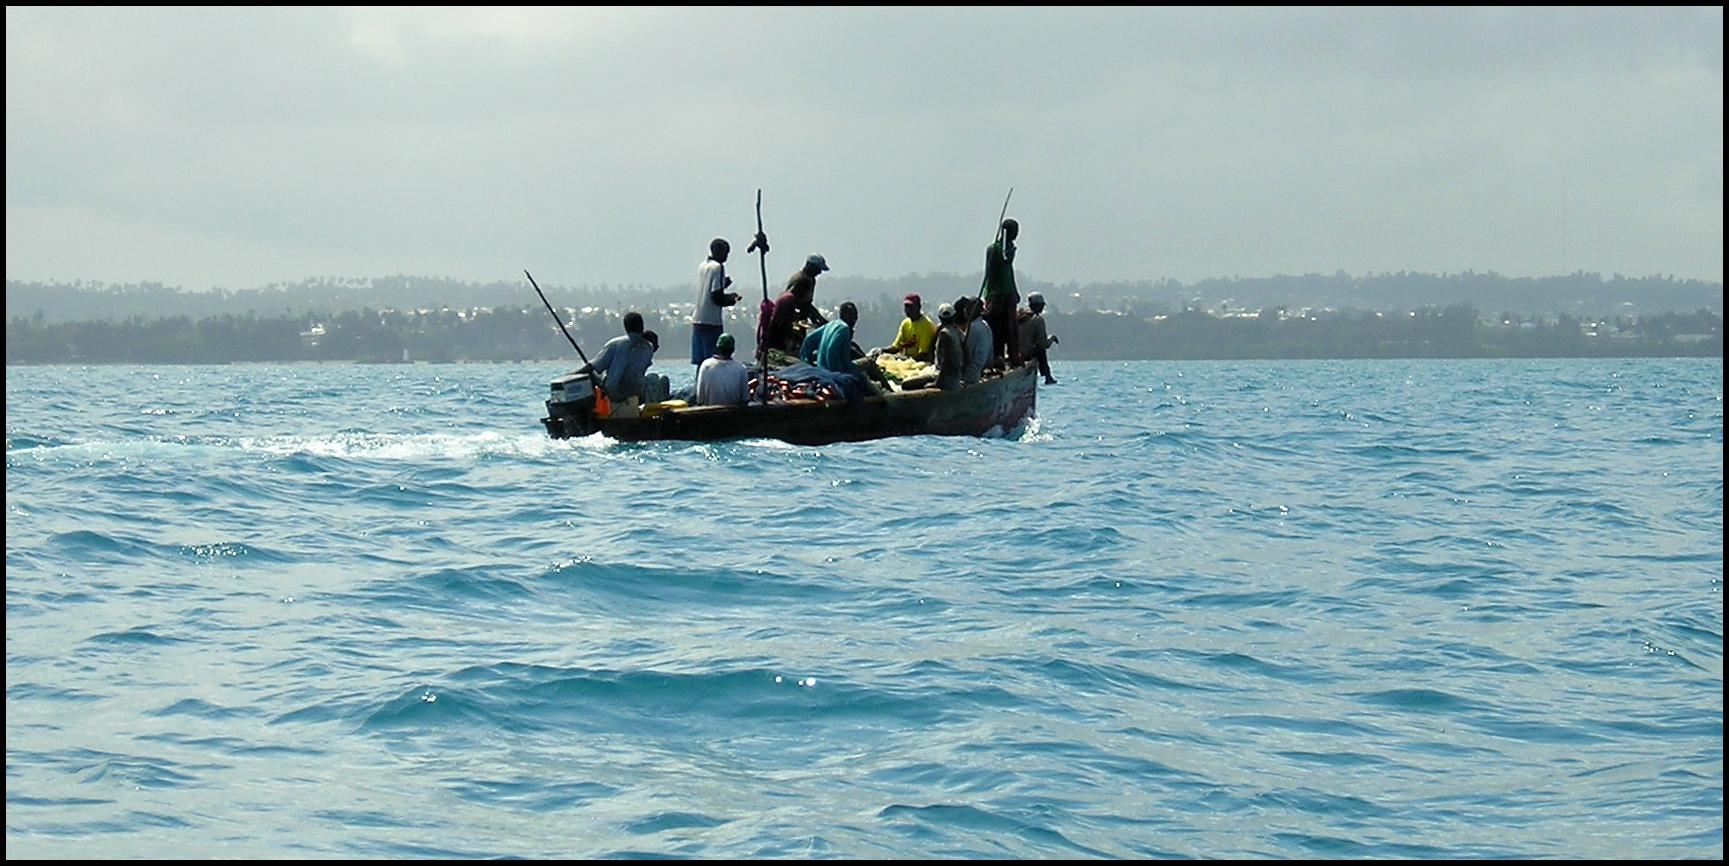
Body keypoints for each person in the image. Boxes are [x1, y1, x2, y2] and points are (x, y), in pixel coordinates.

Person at [576, 311, 656, 415]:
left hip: (614, 394)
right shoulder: (649, 347)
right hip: (636, 393)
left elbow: (593, 367)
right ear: (642, 327)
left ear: (626, 327)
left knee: (590, 375)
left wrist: (572, 374)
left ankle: (592, 412)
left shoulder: (615, 344)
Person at [690, 237, 741, 365]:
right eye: (725, 253)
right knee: (713, 361)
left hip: (697, 320)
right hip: (711, 322)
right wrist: (732, 299)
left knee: (701, 363)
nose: (726, 257)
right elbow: (716, 297)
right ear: (718, 251)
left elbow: (708, 289)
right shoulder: (718, 267)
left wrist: (724, 284)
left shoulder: (703, 266)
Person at [763, 267, 827, 357]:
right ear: (801, 290)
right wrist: (802, 338)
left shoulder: (789, 299)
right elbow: (785, 327)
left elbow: (807, 308)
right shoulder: (788, 301)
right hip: (777, 345)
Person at [982, 218, 1020, 367]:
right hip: (996, 294)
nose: (1016, 234)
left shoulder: (1010, 249)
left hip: (1008, 291)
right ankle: (995, 356)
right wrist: (993, 294)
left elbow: (1009, 272)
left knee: (1009, 327)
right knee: (995, 327)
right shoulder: (994, 249)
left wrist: (1014, 290)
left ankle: (1012, 355)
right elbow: (990, 272)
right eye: (1013, 231)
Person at [694, 332, 750, 406]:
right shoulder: (740, 368)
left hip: (709, 413)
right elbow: (745, 398)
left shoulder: (706, 365)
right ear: (732, 350)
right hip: (733, 414)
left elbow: (700, 398)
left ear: (717, 348)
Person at [1017, 291, 1059, 384]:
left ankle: (1048, 376)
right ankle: (1047, 376)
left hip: (1015, 352)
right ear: (1039, 305)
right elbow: (1043, 344)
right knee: (1041, 350)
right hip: (1026, 353)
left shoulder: (1019, 315)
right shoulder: (1037, 320)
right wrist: (1052, 338)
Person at [883, 292, 936, 362]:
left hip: (921, 362)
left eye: (911, 307)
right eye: (906, 306)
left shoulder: (926, 325)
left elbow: (923, 353)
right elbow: (896, 347)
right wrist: (881, 350)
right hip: (907, 358)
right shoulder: (905, 323)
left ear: (919, 306)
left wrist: (906, 361)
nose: (908, 310)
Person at [930, 302, 964, 391]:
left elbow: (946, 361)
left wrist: (937, 383)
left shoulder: (944, 334)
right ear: (954, 317)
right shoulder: (958, 332)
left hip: (945, 379)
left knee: (907, 384)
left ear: (940, 318)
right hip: (956, 377)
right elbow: (966, 355)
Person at [960, 296, 993, 385]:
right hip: (981, 369)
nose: (965, 310)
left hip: (971, 373)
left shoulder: (973, 327)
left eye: (968, 307)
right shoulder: (985, 325)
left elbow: (967, 353)